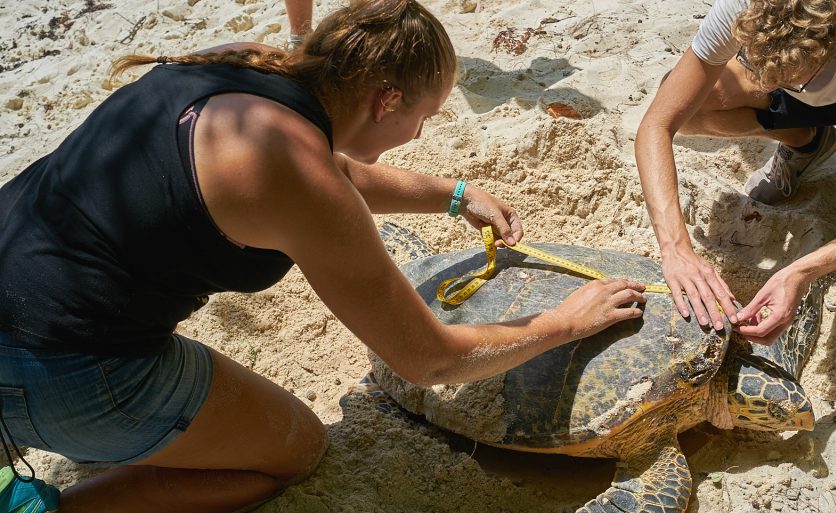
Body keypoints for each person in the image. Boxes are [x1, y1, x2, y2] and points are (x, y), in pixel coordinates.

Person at [0, 1, 649, 511]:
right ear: (386, 100)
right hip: (63, 362)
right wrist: (567, 321)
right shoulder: (304, 181)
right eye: (422, 117)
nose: (419, 135)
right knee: (295, 449)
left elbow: (324, 168)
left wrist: (453, 196)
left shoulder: (247, 68)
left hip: (15, 272)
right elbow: (428, 357)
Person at [634, 0, 836, 344]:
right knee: (692, 101)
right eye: (754, 61)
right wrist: (675, 248)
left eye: (784, 77)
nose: (765, 82)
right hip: (811, 78)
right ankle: (805, 141)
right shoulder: (747, 5)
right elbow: (657, 123)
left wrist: (804, 270)